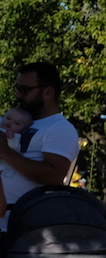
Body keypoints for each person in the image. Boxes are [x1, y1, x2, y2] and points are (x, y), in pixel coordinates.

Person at [1, 63, 80, 232]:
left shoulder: (60, 128)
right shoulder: (10, 118)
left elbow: (53, 177)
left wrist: (5, 151)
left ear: (48, 92)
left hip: (19, 231)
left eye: (24, 90)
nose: (17, 95)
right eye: (17, 89)